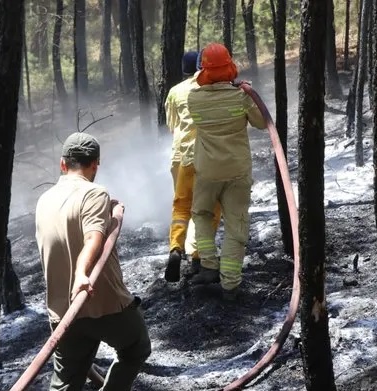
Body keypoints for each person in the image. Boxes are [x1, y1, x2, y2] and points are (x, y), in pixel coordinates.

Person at [34, 132, 151, 391]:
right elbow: (93, 237)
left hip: (62, 312)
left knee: (65, 383)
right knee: (136, 347)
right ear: (95, 164)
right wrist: (82, 274)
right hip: (102, 304)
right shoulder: (95, 193)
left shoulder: (44, 200)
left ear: (62, 164)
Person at [187, 43, 267, 301]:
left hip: (207, 172)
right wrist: (247, 93)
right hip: (237, 172)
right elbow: (261, 123)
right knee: (236, 225)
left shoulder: (194, 98)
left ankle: (209, 265)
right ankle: (230, 284)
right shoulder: (241, 96)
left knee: (201, 214)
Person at [164, 51, 222, 282]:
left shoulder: (175, 92)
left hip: (180, 159)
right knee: (208, 209)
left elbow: (172, 126)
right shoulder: (212, 89)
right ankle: (199, 257)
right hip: (207, 158)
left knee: (181, 207)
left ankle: (176, 248)